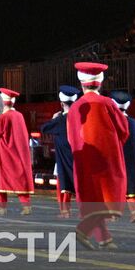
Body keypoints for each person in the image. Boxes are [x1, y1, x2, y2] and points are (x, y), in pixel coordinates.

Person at [66, 62, 129, 250]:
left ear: (82, 84)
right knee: (107, 197)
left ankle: (104, 238)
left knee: (93, 198)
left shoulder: (75, 107)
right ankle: (82, 231)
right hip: (106, 157)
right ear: (100, 83)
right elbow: (124, 131)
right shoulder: (108, 103)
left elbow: (71, 137)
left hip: (85, 159)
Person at [0, 87, 32, 216]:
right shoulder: (18, 115)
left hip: (4, 154)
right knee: (19, 178)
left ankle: (1, 207)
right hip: (17, 154)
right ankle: (26, 205)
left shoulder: (4, 117)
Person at [40, 86, 79, 218]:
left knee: (63, 184)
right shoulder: (80, 118)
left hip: (63, 158)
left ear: (62, 103)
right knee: (81, 184)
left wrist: (53, 119)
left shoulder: (60, 120)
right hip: (79, 157)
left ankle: (65, 211)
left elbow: (44, 128)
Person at [110, 90, 135, 222]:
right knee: (131, 188)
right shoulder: (133, 122)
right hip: (133, 161)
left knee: (114, 187)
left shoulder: (112, 122)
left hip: (117, 159)